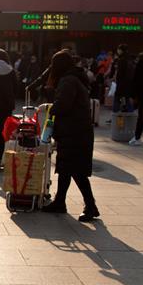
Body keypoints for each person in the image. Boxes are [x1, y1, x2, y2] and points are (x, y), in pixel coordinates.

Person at [41, 51, 98, 221]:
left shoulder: (68, 81)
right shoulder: (73, 78)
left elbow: (64, 105)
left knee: (76, 171)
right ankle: (60, 202)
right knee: (66, 169)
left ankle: (91, 206)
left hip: (75, 132)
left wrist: (50, 108)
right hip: (75, 131)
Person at [108, 44, 135, 112]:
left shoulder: (121, 60)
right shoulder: (130, 59)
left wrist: (117, 82)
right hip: (129, 83)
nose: (117, 51)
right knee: (127, 99)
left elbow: (120, 73)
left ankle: (115, 115)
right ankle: (130, 114)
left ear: (121, 50)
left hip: (122, 83)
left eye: (118, 49)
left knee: (117, 98)